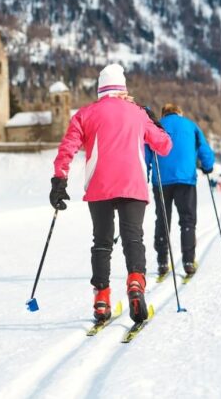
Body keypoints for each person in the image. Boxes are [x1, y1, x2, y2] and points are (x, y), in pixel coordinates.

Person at [50, 64, 172, 324]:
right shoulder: (137, 113)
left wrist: (59, 180)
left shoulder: (85, 114)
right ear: (123, 88)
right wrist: (150, 117)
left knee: (102, 242)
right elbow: (164, 146)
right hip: (132, 185)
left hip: (99, 186)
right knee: (133, 240)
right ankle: (136, 285)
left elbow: (67, 148)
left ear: (100, 89)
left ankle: (102, 298)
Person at [145, 104, 215, 277]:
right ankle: (189, 261)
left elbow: (146, 152)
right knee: (187, 220)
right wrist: (207, 166)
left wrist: (145, 173)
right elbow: (204, 148)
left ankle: (162, 262)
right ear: (179, 112)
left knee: (162, 219)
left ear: (164, 114)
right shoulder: (191, 125)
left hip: (161, 180)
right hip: (186, 179)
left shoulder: (156, 125)